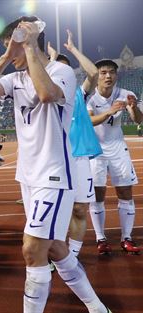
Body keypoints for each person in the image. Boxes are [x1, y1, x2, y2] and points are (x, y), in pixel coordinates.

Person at [0, 16, 110, 312]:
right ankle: (97, 307)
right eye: (5, 46)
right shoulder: (14, 78)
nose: (11, 53)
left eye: (13, 45)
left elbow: (46, 94)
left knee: (31, 249)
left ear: (28, 41)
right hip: (28, 177)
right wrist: (5, 56)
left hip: (54, 176)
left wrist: (30, 47)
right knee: (56, 247)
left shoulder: (61, 70)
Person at [47, 29, 102, 257]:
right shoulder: (47, 91)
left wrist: (72, 49)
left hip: (78, 157)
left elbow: (93, 73)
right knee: (56, 211)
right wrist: (51, 61)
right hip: (54, 158)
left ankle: (73, 256)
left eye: (66, 68)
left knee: (79, 209)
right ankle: (52, 252)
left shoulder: (79, 93)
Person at [86, 57, 142, 255]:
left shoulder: (126, 94)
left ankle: (126, 238)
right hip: (97, 151)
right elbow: (90, 121)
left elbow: (138, 119)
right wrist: (109, 112)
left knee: (126, 193)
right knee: (97, 196)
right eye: (103, 72)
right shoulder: (90, 99)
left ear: (116, 75)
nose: (108, 76)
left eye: (111, 72)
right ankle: (101, 239)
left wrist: (133, 107)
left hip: (118, 148)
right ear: (97, 77)